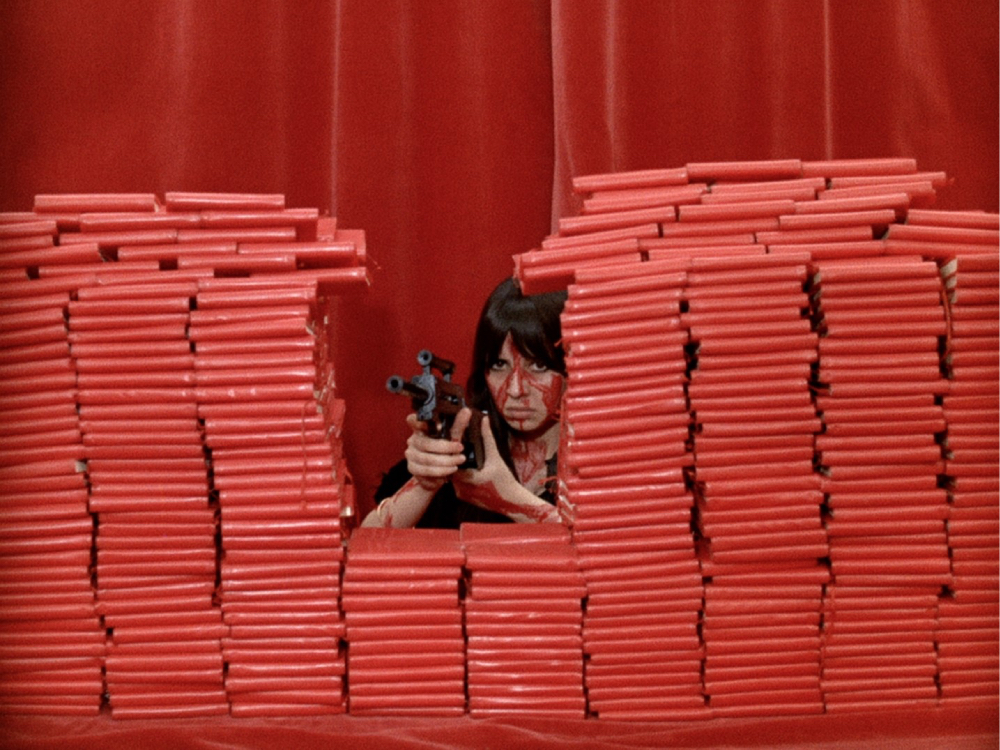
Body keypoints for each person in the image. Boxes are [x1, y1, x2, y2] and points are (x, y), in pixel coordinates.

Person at [362, 277, 567, 528]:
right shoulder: (460, 445)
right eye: (499, 364)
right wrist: (423, 485)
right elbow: (367, 543)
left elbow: (606, 554)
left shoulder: (599, 459)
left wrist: (511, 499)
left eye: (538, 365)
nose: (515, 389)